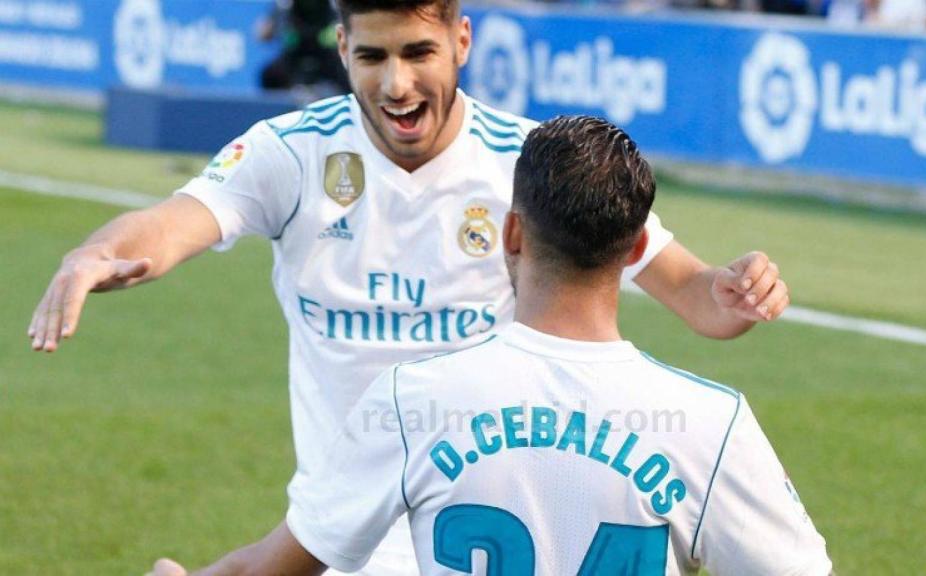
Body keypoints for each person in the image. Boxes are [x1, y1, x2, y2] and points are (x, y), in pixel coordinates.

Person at [29, 0, 790, 572]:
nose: (396, 83)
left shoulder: (527, 161)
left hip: (472, 508)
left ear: (462, 40)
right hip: (343, 522)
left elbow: (692, 293)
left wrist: (732, 290)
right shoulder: (290, 153)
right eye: (372, 57)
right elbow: (173, 222)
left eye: (419, 51)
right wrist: (97, 253)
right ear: (341, 48)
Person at [148, 115, 831, 576]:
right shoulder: (712, 422)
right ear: (635, 248)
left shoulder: (412, 400)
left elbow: (277, 565)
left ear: (511, 235)